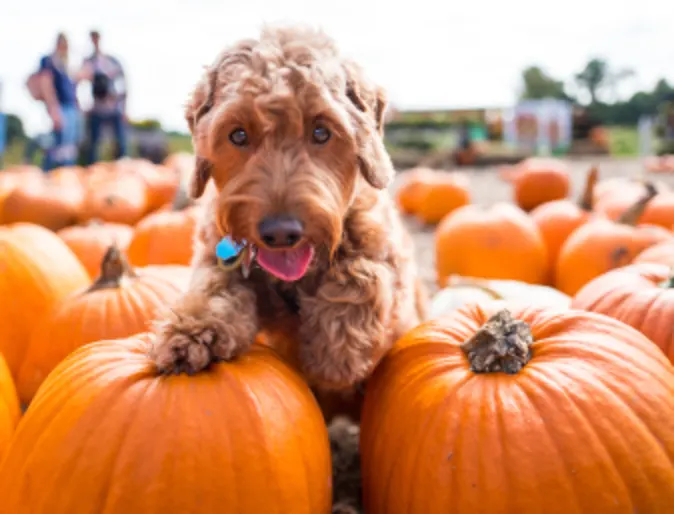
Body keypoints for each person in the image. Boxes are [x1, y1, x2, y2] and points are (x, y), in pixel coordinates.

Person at [78, 30, 128, 164]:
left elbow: (123, 84)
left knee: (120, 143)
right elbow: (79, 83)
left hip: (113, 107)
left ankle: (122, 169)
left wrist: (123, 106)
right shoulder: (88, 62)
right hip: (96, 108)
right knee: (93, 144)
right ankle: (92, 172)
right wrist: (83, 105)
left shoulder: (112, 61)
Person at [34, 33, 80, 170]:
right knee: (57, 146)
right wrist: (53, 109)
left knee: (68, 149)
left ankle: (66, 176)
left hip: (71, 108)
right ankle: (48, 177)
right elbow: (45, 84)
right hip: (61, 108)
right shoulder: (48, 61)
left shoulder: (64, 64)